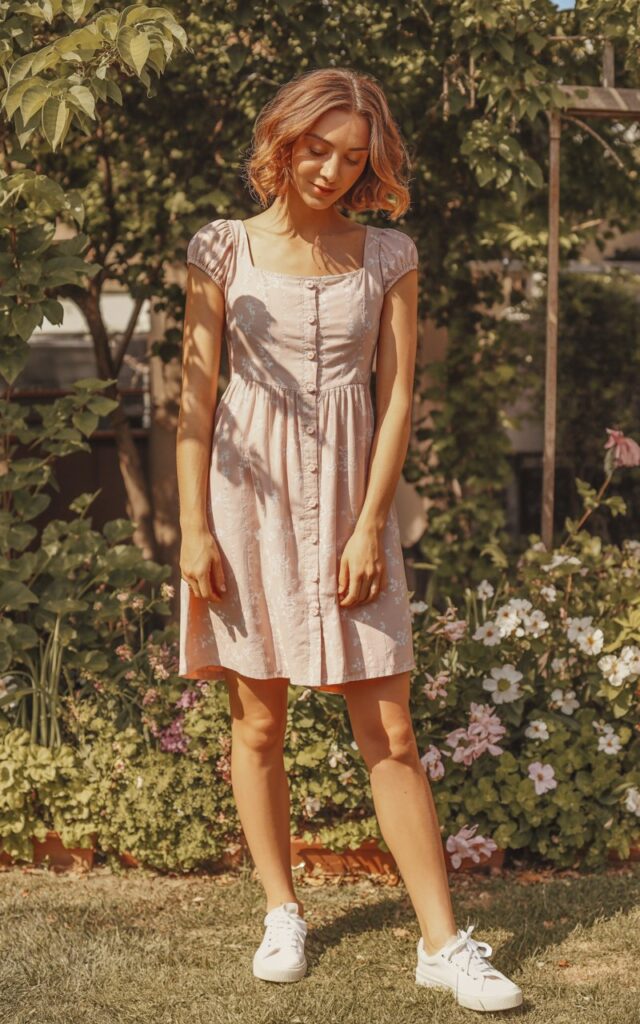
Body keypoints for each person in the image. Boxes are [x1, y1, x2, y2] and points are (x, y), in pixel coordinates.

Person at [176, 67, 523, 1013]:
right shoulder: (221, 249)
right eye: (317, 149)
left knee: (393, 728)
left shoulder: (388, 253)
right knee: (258, 720)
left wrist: (371, 524)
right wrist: (193, 530)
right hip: (243, 501)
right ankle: (282, 908)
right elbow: (196, 401)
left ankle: (443, 944)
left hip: (349, 502)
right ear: (282, 143)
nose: (332, 170)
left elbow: (398, 392)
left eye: (353, 157)